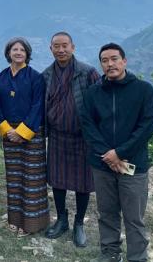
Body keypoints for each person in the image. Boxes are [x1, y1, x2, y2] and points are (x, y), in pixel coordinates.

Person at [80, 43, 153, 262]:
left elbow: (148, 125)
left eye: (114, 59)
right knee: (107, 213)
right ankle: (109, 253)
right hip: (102, 164)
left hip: (134, 165)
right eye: (105, 60)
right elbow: (88, 125)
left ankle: (137, 257)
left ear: (124, 61)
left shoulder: (144, 90)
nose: (110, 64)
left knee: (134, 218)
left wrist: (121, 152)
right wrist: (108, 154)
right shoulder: (92, 93)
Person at [42, 32, 100, 247]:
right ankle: (62, 219)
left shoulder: (87, 73)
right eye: (56, 46)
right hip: (57, 136)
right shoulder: (46, 75)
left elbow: (98, 104)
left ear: (73, 47)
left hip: (82, 137)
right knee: (57, 180)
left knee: (82, 183)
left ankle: (79, 224)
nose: (61, 50)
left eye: (64, 45)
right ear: (51, 49)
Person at [0, 38, 49, 237]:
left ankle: (32, 224)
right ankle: (15, 220)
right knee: (14, 177)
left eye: (22, 49)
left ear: (27, 53)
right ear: (8, 53)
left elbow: (38, 105)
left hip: (31, 132)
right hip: (9, 132)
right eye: (14, 49)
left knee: (32, 178)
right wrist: (7, 129)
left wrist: (23, 132)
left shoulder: (35, 77)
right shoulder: (1, 76)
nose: (18, 52)